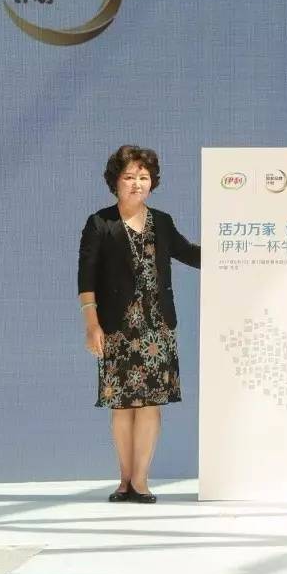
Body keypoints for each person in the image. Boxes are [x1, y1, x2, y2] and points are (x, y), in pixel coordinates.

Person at [77, 145, 200, 503]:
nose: (137, 184)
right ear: (115, 182)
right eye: (129, 177)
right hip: (116, 328)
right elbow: (86, 278)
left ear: (152, 182)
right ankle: (124, 480)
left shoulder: (162, 222)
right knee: (122, 406)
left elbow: (189, 253)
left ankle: (141, 481)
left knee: (150, 405)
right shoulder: (100, 223)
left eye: (143, 177)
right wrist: (92, 325)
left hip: (157, 328)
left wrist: (232, 251)